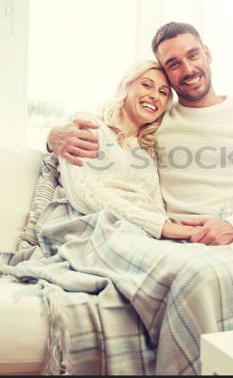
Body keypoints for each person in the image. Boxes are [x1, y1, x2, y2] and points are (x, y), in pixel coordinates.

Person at [48, 22, 233, 246]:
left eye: (193, 55)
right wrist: (53, 138)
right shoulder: (156, 121)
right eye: (174, 64)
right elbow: (110, 128)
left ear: (207, 53)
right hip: (187, 239)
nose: (188, 69)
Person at [54, 59, 199, 241]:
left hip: (144, 234)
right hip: (95, 226)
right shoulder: (88, 125)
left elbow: (155, 206)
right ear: (126, 86)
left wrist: (171, 231)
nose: (155, 96)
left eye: (163, 92)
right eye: (147, 85)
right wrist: (160, 226)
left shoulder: (149, 150)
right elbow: (83, 194)